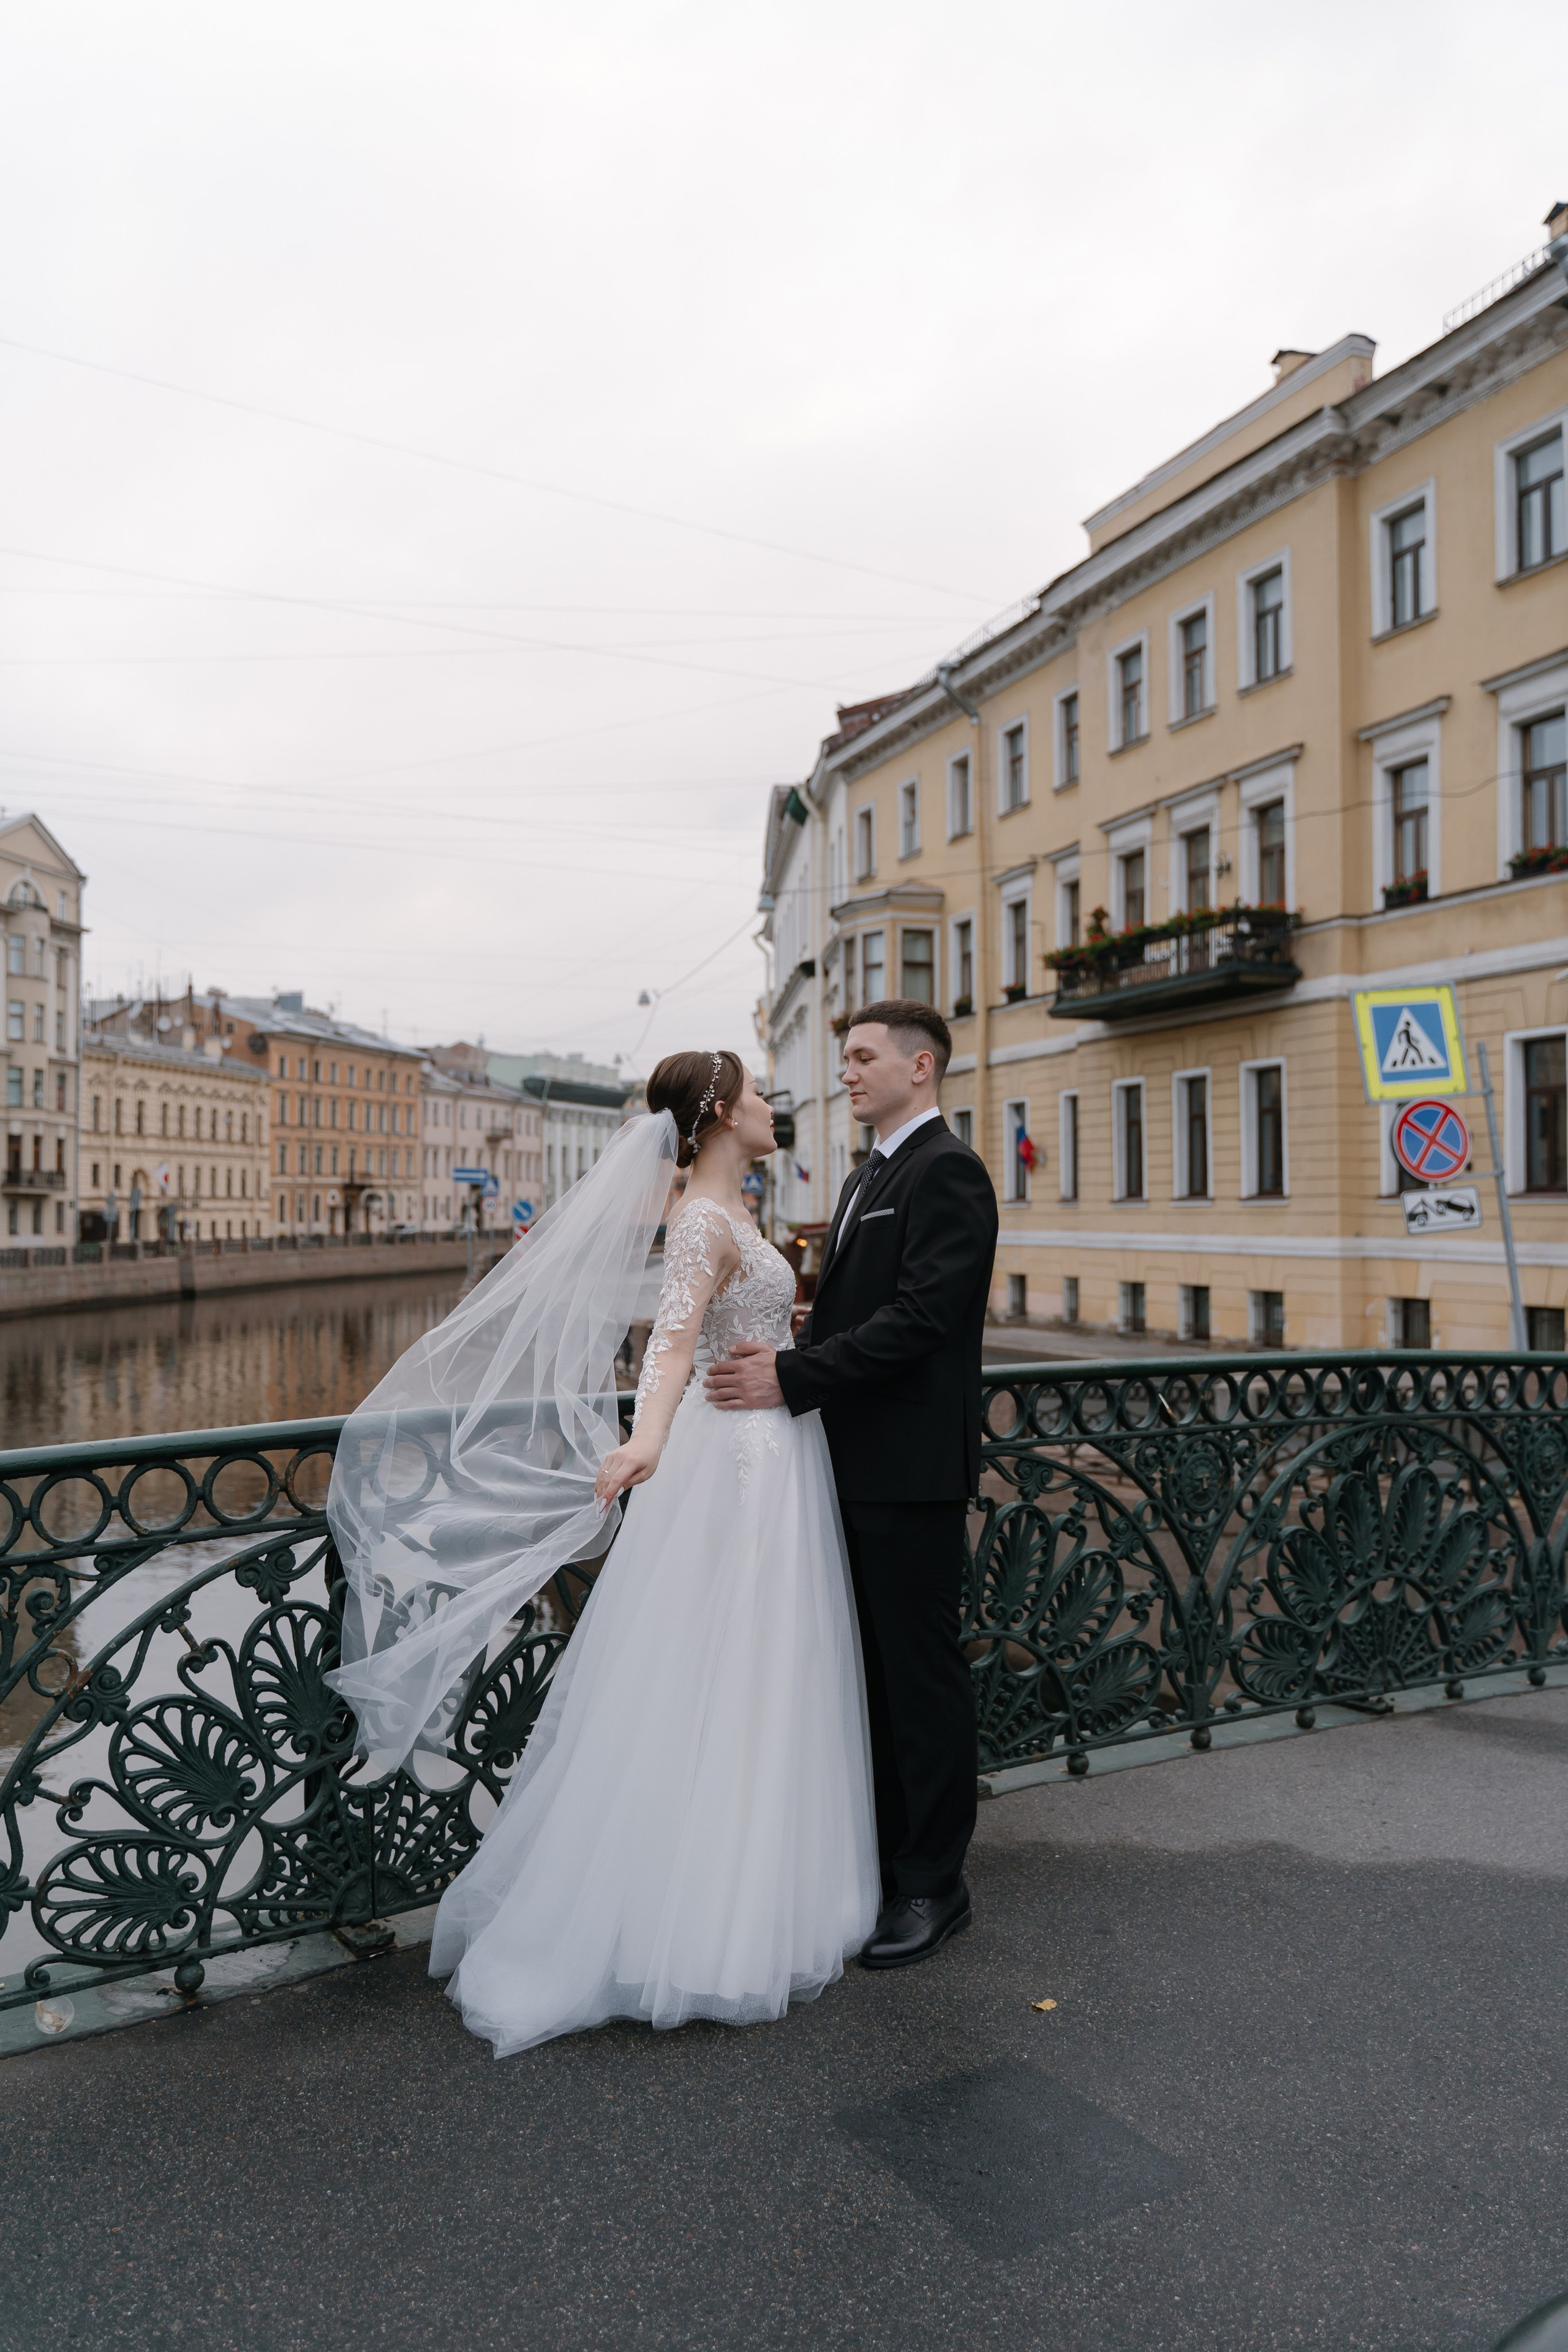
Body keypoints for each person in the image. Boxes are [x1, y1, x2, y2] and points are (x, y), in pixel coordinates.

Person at [325, 1050, 877, 2057]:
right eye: (758, 1093)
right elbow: (671, 1344)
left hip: (772, 1447)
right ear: (723, 1114)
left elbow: (725, 1321)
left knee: (761, 1666)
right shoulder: (702, 1219)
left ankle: (758, 1894)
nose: (772, 1105)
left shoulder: (732, 1211)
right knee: (719, 1670)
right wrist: (648, 1440)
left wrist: (785, 1340)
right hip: (734, 1458)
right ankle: (702, 1923)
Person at [705, 1000, 998, 1969]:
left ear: (921, 1068)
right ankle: (884, 1860)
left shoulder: (946, 1168)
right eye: (846, 1058)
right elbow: (864, 1304)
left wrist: (794, 1375)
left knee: (919, 1679)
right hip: (850, 1460)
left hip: (909, 1470)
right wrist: (800, 1333)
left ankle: (935, 1887)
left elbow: (922, 1319)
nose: (848, 1072)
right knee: (867, 1676)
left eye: (865, 1057)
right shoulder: (872, 1170)